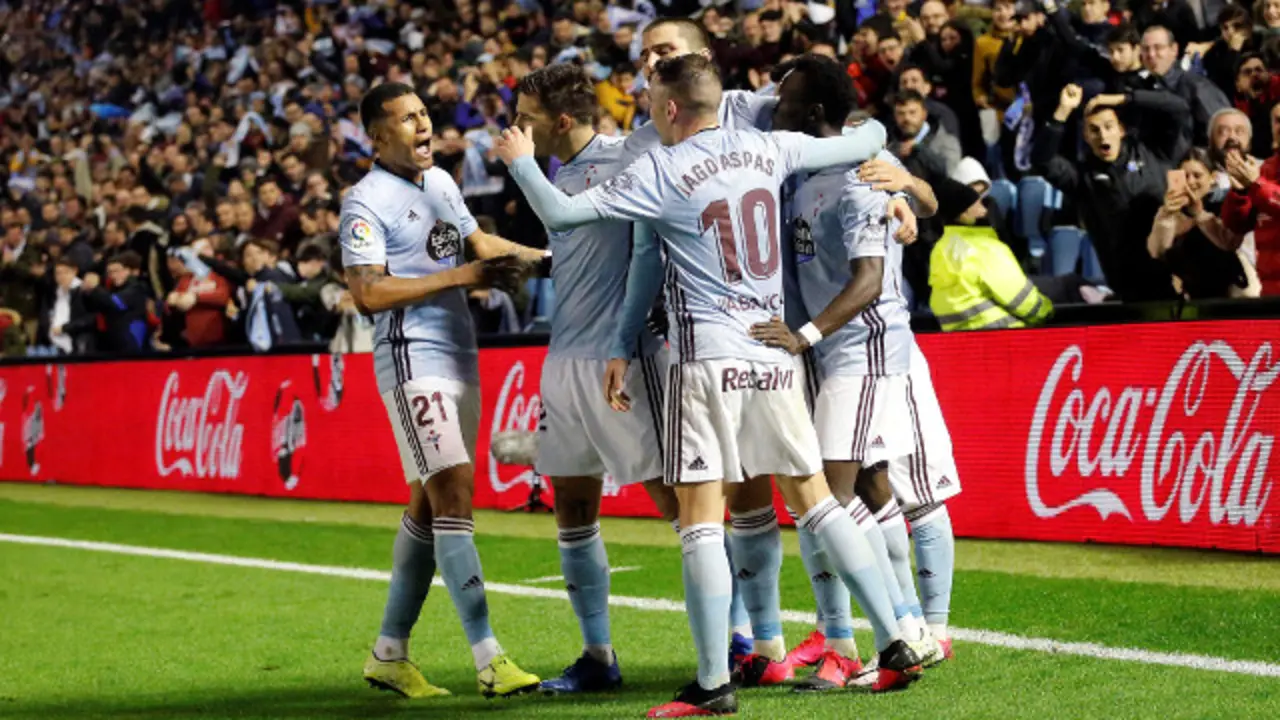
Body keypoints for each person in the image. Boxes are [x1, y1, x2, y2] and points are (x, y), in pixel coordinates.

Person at [496, 54, 922, 718]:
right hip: (773, 352)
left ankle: (711, 681)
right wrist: (887, 167)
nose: (642, 110)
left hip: (705, 360)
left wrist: (520, 160)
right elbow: (866, 137)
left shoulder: (659, 171)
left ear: (670, 110)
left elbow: (559, 209)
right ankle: (896, 639)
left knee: (698, 521)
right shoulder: (768, 146)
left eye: (648, 101)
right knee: (815, 503)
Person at [615, 17, 922, 674]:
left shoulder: (750, 114)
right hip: (777, 345)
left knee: (735, 503)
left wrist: (904, 186)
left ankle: (850, 637)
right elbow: (859, 128)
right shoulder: (648, 136)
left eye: (663, 52)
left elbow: (850, 123)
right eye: (642, 54)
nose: (649, 63)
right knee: (785, 495)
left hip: (754, 341)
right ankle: (786, 641)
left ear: (697, 61)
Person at [339, 81, 545, 701]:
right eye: (406, 119)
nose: (422, 125)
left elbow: (483, 246)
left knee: (430, 505)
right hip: (410, 359)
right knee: (455, 492)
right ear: (377, 135)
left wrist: (557, 255)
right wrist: (461, 274)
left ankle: (389, 653)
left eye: (424, 114)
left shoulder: (443, 184)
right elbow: (369, 293)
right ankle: (490, 658)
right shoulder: (364, 201)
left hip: (460, 353)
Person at [758, 53, 956, 683]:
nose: (774, 110)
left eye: (784, 101)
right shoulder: (794, 170)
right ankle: (902, 628)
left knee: (829, 496)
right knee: (871, 489)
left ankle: (899, 639)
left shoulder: (860, 170)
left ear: (813, 111)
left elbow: (871, 276)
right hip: (824, 350)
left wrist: (906, 190)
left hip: (864, 347)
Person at [507, 63, 679, 695]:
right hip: (562, 361)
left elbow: (643, 256)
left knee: (676, 502)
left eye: (526, 117)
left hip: (620, 361)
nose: (516, 129)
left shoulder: (626, 155)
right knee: (572, 508)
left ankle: (739, 640)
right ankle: (597, 654)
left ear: (560, 120)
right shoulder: (558, 170)